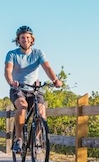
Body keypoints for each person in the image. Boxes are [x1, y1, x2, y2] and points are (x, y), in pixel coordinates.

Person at [4, 25, 63, 154]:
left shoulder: (38, 53)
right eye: (22, 38)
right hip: (17, 88)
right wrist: (11, 81)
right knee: (22, 106)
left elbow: (47, 67)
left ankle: (36, 140)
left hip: (34, 89)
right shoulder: (12, 54)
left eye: (27, 37)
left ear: (32, 39)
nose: (25, 40)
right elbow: (8, 70)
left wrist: (55, 80)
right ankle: (18, 139)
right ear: (18, 40)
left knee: (41, 113)